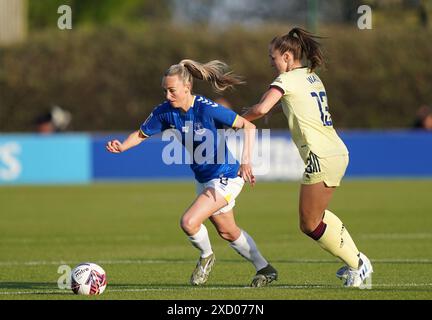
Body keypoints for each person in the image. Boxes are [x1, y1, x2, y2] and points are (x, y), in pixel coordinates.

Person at [106, 59, 277, 287]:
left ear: (187, 87)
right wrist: (123, 147)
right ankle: (265, 268)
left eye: (172, 90)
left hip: (227, 175)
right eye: (165, 90)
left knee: (189, 221)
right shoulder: (165, 112)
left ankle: (207, 257)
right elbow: (140, 134)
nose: (167, 95)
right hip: (204, 178)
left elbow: (249, 126)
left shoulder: (207, 108)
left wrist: (246, 162)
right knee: (227, 231)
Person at [242, 27, 373, 288]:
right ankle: (356, 261)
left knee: (310, 223)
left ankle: (358, 264)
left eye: (273, 57)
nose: (272, 62)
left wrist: (237, 119)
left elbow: (261, 108)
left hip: (320, 156)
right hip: (336, 151)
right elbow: (298, 107)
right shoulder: (312, 77)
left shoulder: (286, 80)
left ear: (288, 57)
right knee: (315, 218)